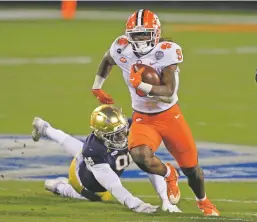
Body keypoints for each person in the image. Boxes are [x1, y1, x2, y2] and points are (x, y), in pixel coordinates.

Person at [91, 9, 219, 216]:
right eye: (136, 34)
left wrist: (143, 86)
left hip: (170, 116)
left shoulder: (166, 51)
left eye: (145, 34)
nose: (140, 39)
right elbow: (107, 59)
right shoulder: (122, 47)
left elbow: (169, 93)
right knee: (139, 155)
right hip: (143, 117)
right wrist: (97, 86)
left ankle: (203, 201)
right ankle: (169, 174)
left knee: (192, 168)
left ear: (156, 33)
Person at [32, 104, 181, 214]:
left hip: (92, 159)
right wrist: (137, 204)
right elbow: (113, 185)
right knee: (100, 195)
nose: (123, 137)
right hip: (83, 179)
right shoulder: (94, 150)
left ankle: (45, 128)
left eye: (124, 132)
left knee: (80, 149)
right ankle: (59, 186)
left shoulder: (129, 127)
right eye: (117, 135)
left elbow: (149, 165)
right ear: (102, 134)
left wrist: (165, 199)